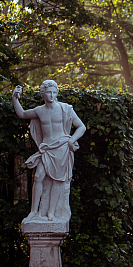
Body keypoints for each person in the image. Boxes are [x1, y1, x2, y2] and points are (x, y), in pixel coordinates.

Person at [13, 81, 86, 222]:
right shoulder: (39, 110)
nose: (52, 95)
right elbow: (21, 114)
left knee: (57, 180)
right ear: (43, 94)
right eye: (49, 92)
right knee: (38, 176)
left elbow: (81, 127)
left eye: (54, 92)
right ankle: (34, 211)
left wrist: (72, 140)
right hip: (46, 148)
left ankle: (51, 213)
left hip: (62, 147)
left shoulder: (66, 109)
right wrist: (15, 98)